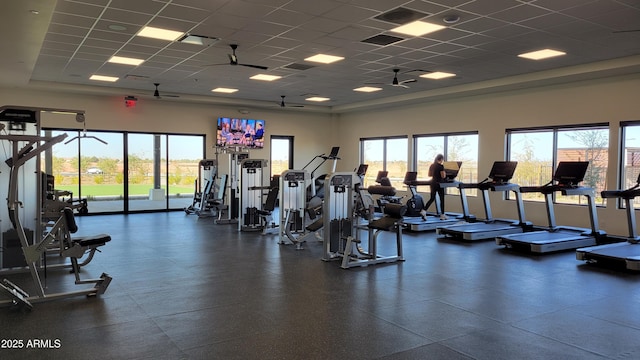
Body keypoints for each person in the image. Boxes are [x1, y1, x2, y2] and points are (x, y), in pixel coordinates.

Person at [421, 154, 448, 220]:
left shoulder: (432, 165)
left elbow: (429, 175)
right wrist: (445, 174)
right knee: (442, 199)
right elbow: (443, 176)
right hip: (439, 184)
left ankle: (424, 210)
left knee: (432, 198)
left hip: (432, 183)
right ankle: (442, 215)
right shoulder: (441, 166)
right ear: (441, 159)